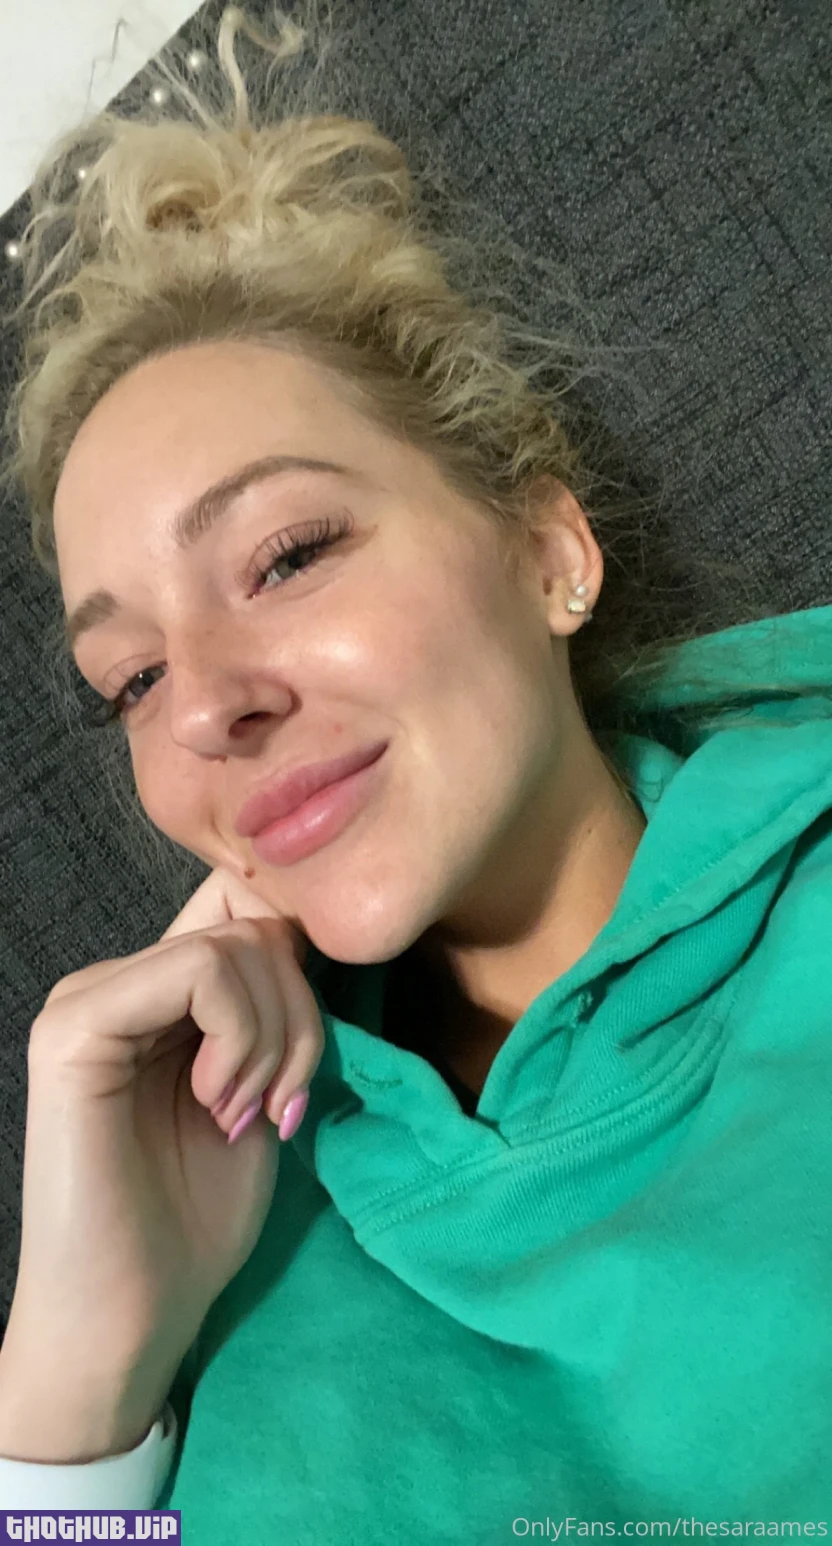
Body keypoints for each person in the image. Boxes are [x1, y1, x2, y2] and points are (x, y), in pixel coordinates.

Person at [0, 0, 830, 1526]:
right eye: (132, 678)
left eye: (288, 553)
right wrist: (77, 1391)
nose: (204, 707)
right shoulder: (215, 1194)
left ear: (548, 548)